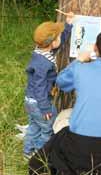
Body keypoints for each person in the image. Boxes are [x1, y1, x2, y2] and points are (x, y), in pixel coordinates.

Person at [29, 28, 101, 175]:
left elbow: (60, 82)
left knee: (36, 162)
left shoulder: (81, 68)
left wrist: (78, 61)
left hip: (76, 148)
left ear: (95, 47)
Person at [24, 12, 74, 159]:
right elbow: (39, 87)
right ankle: (39, 155)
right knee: (47, 129)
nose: (60, 38)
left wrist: (68, 25)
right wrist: (45, 108)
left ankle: (27, 152)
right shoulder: (43, 64)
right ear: (52, 42)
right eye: (58, 37)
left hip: (30, 101)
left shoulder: (41, 52)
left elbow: (58, 43)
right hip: (40, 103)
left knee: (34, 127)